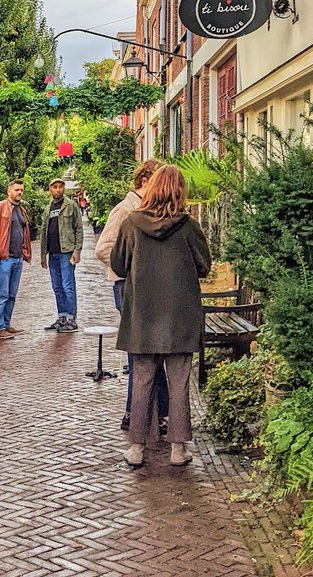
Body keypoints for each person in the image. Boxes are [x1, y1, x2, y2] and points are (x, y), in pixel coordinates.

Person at [111, 164, 211, 469]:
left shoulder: (132, 223)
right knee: (179, 382)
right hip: (179, 317)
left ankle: (137, 448)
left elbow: (117, 264)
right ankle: (178, 449)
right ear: (180, 191)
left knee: (142, 380)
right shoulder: (188, 226)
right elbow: (204, 265)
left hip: (142, 315)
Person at [95, 158, 169, 431]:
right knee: (138, 350)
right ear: (145, 181)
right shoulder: (125, 210)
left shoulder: (151, 210)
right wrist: (132, 268)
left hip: (147, 288)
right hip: (127, 286)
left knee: (152, 349)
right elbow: (103, 248)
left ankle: (154, 411)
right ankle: (135, 413)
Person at [0, 179, 32, 339]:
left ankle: (6, 324)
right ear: (9, 191)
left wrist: (25, 253)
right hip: (3, 259)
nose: (19, 192)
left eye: (21, 190)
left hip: (17, 258)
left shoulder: (21, 210)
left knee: (12, 294)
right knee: (1, 294)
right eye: (17, 190)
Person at [40, 176, 83, 331]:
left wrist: (77, 250)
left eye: (60, 187)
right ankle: (61, 317)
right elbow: (44, 232)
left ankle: (72, 319)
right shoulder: (48, 209)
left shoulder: (71, 206)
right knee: (57, 287)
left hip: (66, 252)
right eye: (54, 187)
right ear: (50, 189)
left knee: (67, 285)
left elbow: (78, 228)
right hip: (53, 254)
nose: (58, 189)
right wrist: (43, 255)